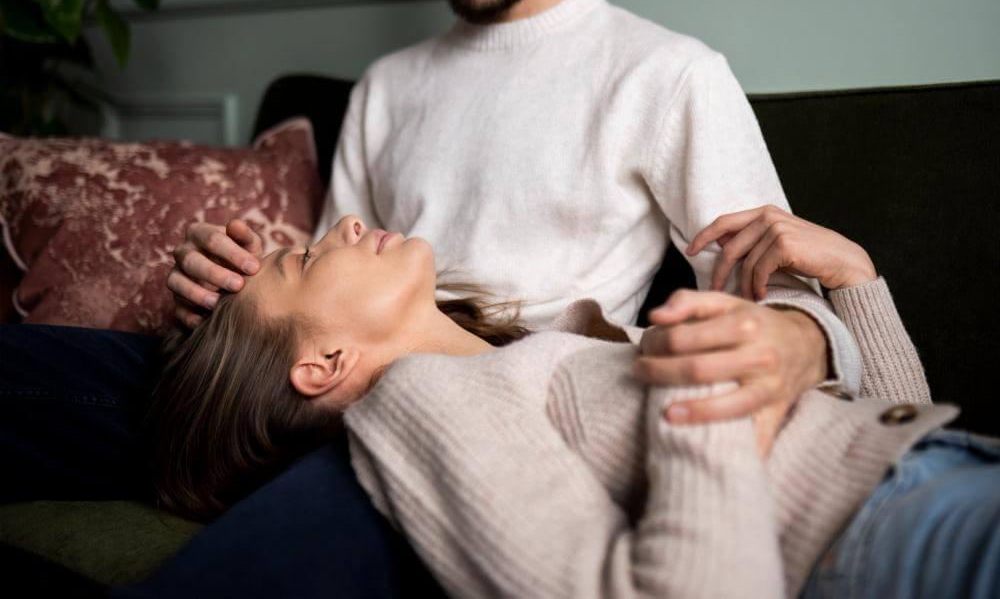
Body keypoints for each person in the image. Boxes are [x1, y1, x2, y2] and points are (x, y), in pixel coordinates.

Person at [168, 0, 867, 435]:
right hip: (353, 401)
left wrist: (804, 337)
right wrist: (223, 297)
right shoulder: (386, 86)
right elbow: (324, 298)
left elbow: (778, 294)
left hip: (526, 417)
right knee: (127, 373)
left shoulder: (670, 75)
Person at [148, 212, 1000, 599]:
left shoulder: (549, 344)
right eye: (302, 264)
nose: (336, 225)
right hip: (897, 541)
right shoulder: (425, 399)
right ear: (323, 362)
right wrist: (703, 383)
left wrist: (854, 279)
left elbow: (880, 438)